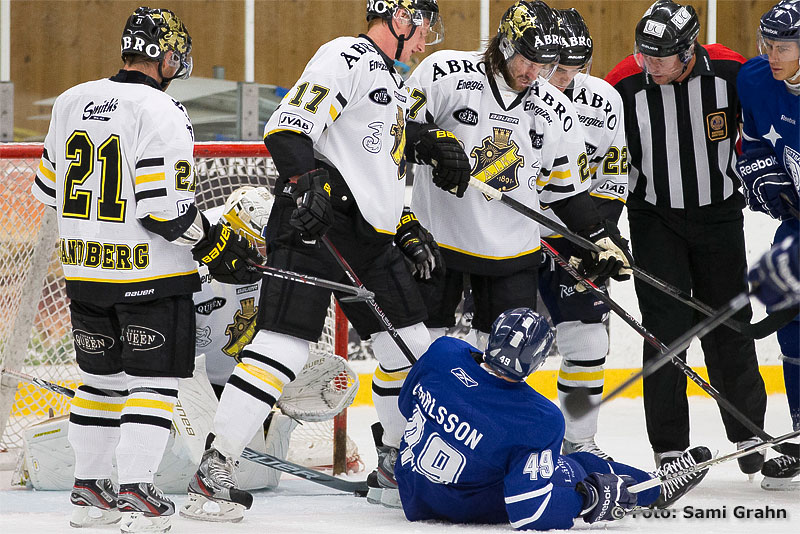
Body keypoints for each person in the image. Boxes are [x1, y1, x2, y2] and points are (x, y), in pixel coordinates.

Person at [183, 0, 471, 521]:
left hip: (370, 242)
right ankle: (214, 469)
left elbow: (380, 172)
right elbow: (287, 129)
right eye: (425, 25)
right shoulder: (347, 55)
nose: (428, 38)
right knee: (282, 350)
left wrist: (411, 210)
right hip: (318, 227)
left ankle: (392, 462)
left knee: (410, 352)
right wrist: (304, 179)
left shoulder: (395, 87)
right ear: (400, 19)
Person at [30, 7, 261, 532]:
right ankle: (137, 492)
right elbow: (164, 210)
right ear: (168, 56)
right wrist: (216, 244)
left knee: (100, 381)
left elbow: (47, 190)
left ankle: (91, 492)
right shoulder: (163, 109)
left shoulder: (70, 100)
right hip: (149, 277)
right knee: (154, 385)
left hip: (85, 272)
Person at [407, 0, 632, 372]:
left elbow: (567, 191)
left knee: (506, 367)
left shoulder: (556, 110)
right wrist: (430, 143)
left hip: (511, 252)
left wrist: (597, 235)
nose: (534, 73)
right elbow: (398, 128)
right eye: (528, 60)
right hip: (440, 239)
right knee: (419, 351)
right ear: (507, 44)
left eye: (545, 64)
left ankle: (492, 431)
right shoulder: (445, 72)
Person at [605, 0, 767, 476]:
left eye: (661, 56)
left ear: (689, 50)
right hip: (654, 219)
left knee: (730, 326)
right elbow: (605, 157)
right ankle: (670, 448)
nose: (650, 64)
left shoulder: (732, 72)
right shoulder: (623, 82)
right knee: (665, 334)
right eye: (644, 54)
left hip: (719, 218)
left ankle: (751, 434)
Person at [394, 307, 710, 529]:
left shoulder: (444, 352)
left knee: (529, 459)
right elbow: (529, 512)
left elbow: (407, 406)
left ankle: (652, 484)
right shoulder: (538, 417)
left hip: (412, 491)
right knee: (573, 467)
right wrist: (589, 499)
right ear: (538, 361)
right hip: (461, 506)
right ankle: (654, 488)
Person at [535, 7, 628, 460]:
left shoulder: (605, 100)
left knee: (589, 340)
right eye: (558, 68)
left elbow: (611, 179)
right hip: (503, 237)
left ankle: (579, 443)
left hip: (574, 234)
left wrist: (595, 239)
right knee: (486, 343)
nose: (566, 79)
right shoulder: (508, 92)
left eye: (577, 68)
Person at [736, 0, 800, 490]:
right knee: (792, 322)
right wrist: (768, 180)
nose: (770, 55)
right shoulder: (756, 79)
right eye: (766, 44)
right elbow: (754, 144)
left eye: (782, 46)